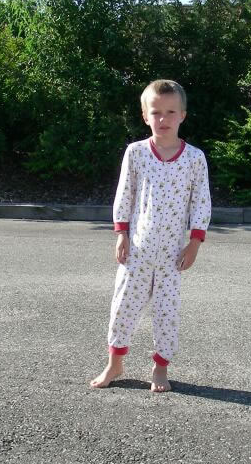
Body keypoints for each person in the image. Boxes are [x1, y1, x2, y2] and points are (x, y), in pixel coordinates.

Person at [90, 79, 211, 393]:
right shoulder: (136, 153)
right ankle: (115, 363)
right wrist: (121, 234)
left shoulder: (194, 158)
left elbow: (201, 201)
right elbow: (125, 194)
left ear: (182, 115)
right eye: (156, 112)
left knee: (166, 313)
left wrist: (195, 242)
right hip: (138, 250)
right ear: (145, 116)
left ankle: (160, 367)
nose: (163, 118)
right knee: (123, 307)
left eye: (171, 112)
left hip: (172, 255)